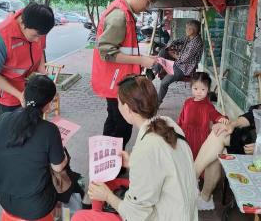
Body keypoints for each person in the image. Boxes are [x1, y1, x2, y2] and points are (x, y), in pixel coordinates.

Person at [73, 75, 198, 221]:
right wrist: (133, 163)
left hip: (165, 215)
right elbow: (162, 162)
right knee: (109, 184)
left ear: (127, 108)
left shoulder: (145, 150)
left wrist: (108, 196)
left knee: (79, 217)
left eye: (118, 102)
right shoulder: (168, 123)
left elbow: (136, 215)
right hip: (182, 209)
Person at [194, 58, 261, 211]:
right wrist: (233, 124)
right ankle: (196, 183)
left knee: (219, 148)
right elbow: (256, 113)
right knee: (220, 132)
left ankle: (196, 188)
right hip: (256, 141)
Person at [91, 0, 161, 150]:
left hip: (116, 81)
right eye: (148, 1)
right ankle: (112, 166)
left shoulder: (123, 12)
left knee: (115, 123)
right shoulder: (119, 15)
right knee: (122, 127)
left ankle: (107, 163)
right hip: (116, 82)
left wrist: (145, 59)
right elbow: (106, 52)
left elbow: (122, 48)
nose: (147, 7)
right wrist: (141, 60)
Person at [0, 75, 68, 220]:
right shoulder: (49, 130)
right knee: (65, 177)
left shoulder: (2, 119)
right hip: (36, 206)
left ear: (24, 95)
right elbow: (58, 167)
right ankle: (61, 214)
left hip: (4, 199)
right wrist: (64, 155)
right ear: (48, 105)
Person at [0, 2, 54, 115]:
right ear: (23, 24)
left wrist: (42, 70)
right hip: (9, 94)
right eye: (35, 36)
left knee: (32, 125)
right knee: (13, 129)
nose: (38, 40)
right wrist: (19, 95)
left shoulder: (38, 26)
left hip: (29, 89)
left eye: (41, 36)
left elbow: (40, 49)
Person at [147, 19, 203, 105]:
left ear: (192, 30)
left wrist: (172, 54)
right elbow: (178, 40)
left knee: (164, 82)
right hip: (177, 63)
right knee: (163, 51)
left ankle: (157, 103)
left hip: (184, 69)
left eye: (187, 28)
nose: (185, 30)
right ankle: (154, 72)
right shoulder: (189, 38)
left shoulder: (196, 42)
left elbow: (184, 59)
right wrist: (170, 46)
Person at [177, 72, 229, 159]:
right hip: (186, 136)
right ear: (191, 88)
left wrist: (221, 118)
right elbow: (181, 118)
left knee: (198, 159)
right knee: (185, 158)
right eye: (195, 88)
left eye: (203, 89)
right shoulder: (187, 102)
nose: (199, 92)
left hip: (200, 140)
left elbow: (215, 115)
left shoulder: (208, 106)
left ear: (208, 90)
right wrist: (177, 129)